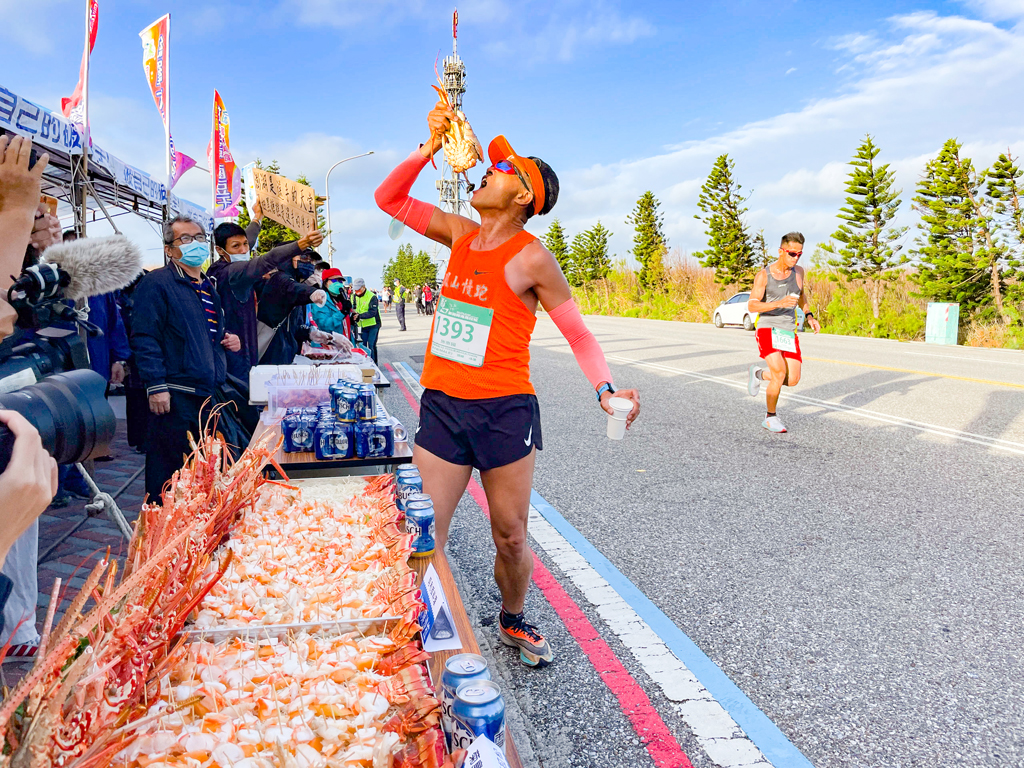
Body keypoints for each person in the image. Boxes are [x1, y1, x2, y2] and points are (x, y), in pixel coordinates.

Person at [374, 104, 640, 668]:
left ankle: (512, 615)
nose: (485, 171)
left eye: (501, 169)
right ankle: (414, 634)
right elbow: (388, 200)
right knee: (423, 530)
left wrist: (605, 391)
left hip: (504, 412)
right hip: (444, 407)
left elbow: (579, 336)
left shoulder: (533, 258)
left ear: (523, 196)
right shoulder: (460, 233)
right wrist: (428, 146)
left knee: (511, 535)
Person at [131, 215, 245, 500]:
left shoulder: (209, 286)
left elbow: (204, 330)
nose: (194, 243)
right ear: (169, 249)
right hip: (176, 395)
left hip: (209, 393)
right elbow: (145, 336)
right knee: (170, 473)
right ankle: (162, 530)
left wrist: (226, 337)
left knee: (205, 471)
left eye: (198, 238)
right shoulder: (157, 284)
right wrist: (156, 385)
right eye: (185, 239)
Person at [207, 201, 324, 380]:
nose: (244, 250)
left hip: (232, 350)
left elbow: (248, 240)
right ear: (220, 250)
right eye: (236, 246)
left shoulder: (218, 268)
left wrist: (257, 218)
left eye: (246, 244)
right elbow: (266, 261)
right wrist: (302, 243)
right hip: (236, 357)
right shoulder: (233, 271)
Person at [746, 232, 820, 433]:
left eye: (799, 254)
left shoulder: (799, 273)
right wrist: (779, 303)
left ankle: (759, 373)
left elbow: (801, 295)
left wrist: (809, 316)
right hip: (767, 327)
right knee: (779, 372)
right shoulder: (764, 275)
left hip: (788, 329)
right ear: (780, 251)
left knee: (792, 379)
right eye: (791, 253)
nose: (795, 258)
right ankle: (770, 418)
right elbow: (752, 306)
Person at [310, 268, 353, 341]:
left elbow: (344, 324)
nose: (338, 283)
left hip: (345, 344)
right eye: (334, 281)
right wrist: (342, 313)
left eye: (340, 281)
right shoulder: (320, 301)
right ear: (325, 282)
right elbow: (324, 326)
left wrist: (352, 318)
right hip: (330, 346)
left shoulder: (340, 300)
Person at [350, 278, 381, 364]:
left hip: (373, 325)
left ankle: (374, 364)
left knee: (371, 345)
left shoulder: (372, 296)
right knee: (362, 346)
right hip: (360, 326)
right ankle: (365, 363)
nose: (357, 291)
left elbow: (373, 312)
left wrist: (360, 316)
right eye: (355, 290)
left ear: (363, 287)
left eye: (358, 289)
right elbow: (352, 308)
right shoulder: (353, 296)